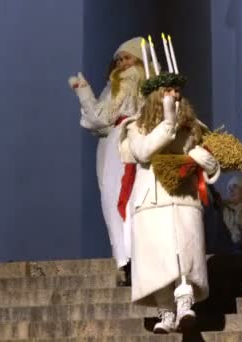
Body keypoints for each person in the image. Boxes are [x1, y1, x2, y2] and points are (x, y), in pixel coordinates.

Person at [120, 68, 220, 333]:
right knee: (157, 258)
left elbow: (207, 157)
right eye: (167, 91)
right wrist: (167, 121)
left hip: (183, 196)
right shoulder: (135, 126)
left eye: (176, 91)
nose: (173, 95)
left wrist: (207, 162)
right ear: (155, 94)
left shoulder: (193, 125)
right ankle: (165, 313)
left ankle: (185, 305)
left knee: (184, 251)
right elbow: (143, 152)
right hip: (151, 198)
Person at [68, 37, 146, 279]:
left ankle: (128, 257)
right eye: (119, 59)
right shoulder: (124, 82)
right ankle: (130, 256)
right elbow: (100, 121)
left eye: (127, 57)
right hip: (123, 141)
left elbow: (99, 118)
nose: (123, 63)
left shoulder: (128, 80)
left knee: (122, 197)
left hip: (124, 142)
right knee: (123, 197)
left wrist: (84, 93)